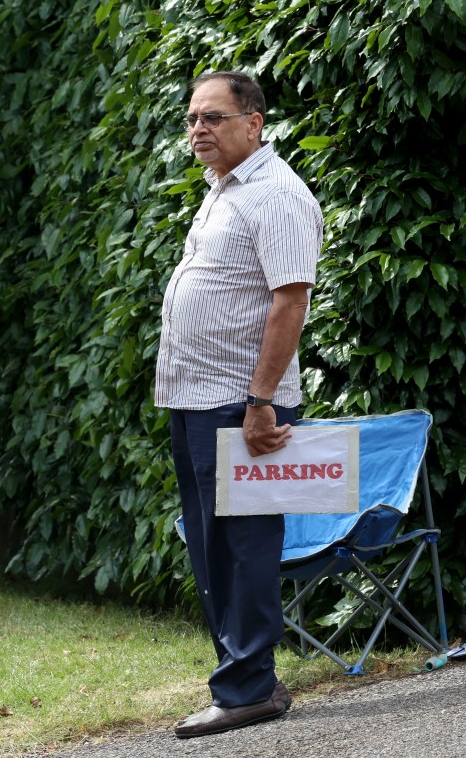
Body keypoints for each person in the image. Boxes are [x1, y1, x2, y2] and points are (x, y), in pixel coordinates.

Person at [154, 70, 323, 738]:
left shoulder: (277, 195)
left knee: (241, 547)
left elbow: (291, 300)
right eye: (193, 118)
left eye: (214, 117)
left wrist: (261, 402)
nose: (198, 130)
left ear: (254, 122)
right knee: (212, 546)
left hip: (240, 406)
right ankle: (250, 678)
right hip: (199, 400)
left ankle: (248, 688)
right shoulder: (224, 192)